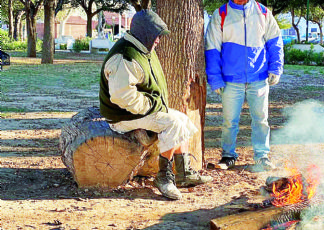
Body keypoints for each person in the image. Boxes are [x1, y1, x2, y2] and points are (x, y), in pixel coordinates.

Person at [99, 10, 212, 200]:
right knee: (172, 123)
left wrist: (155, 106)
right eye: (156, 35)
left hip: (138, 110)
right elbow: (122, 98)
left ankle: (184, 174)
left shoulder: (142, 48)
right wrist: (152, 106)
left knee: (181, 119)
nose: (159, 40)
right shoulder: (125, 56)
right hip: (122, 116)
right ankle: (163, 178)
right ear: (144, 32)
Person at [205, 0, 284, 171]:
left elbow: (275, 42)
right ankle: (228, 155)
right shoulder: (220, 14)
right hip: (231, 80)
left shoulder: (263, 12)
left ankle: (262, 156)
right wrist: (215, 79)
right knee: (229, 121)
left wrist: (276, 68)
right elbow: (212, 47)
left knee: (261, 119)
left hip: (259, 78)